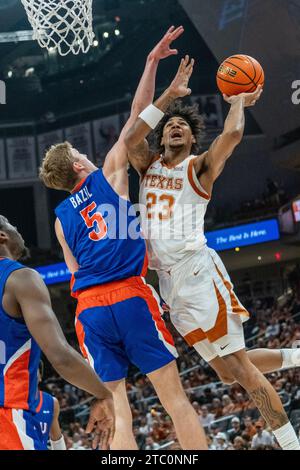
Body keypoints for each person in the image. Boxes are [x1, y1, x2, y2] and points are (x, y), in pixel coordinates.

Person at [39, 27, 207, 451]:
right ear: (78, 163)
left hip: (90, 310)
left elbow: (75, 270)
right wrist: (153, 64)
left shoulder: (60, 220)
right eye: (81, 153)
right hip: (129, 295)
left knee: (120, 412)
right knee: (175, 401)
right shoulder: (107, 174)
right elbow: (138, 115)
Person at [125, 56, 300, 450]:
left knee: (239, 366)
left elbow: (232, 137)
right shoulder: (147, 166)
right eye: (170, 123)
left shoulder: (197, 168)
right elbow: (132, 138)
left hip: (199, 274)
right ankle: (294, 356)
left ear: (190, 141)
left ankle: (291, 443)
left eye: (183, 126)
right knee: (225, 373)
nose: (174, 126)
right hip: (169, 285)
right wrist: (169, 94)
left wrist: (238, 100)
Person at [0, 215, 114, 451]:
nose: (17, 228)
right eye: (13, 224)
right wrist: (104, 394)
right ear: (2, 236)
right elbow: (61, 357)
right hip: (9, 418)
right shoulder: (20, 278)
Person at [35, 361, 66, 450]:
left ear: (40, 376)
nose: (31, 372)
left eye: (34, 369)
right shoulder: (7, 401)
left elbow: (57, 440)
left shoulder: (51, 402)